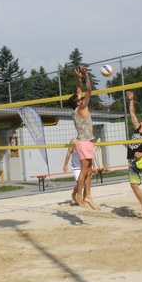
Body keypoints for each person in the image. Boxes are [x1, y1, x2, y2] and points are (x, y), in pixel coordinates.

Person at [67, 65, 96, 209]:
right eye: (79, 98)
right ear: (78, 102)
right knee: (85, 171)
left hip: (85, 142)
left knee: (89, 171)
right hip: (84, 143)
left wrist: (78, 79)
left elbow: (79, 91)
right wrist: (86, 75)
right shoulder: (82, 107)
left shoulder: (76, 108)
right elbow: (89, 90)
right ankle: (79, 195)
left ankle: (88, 196)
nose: (81, 96)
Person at [63, 137, 101, 205]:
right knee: (80, 183)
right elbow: (69, 152)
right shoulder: (74, 141)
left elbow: (90, 156)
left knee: (87, 184)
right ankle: (73, 194)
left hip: (86, 165)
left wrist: (94, 166)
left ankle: (84, 199)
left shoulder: (88, 141)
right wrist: (65, 164)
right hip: (77, 166)